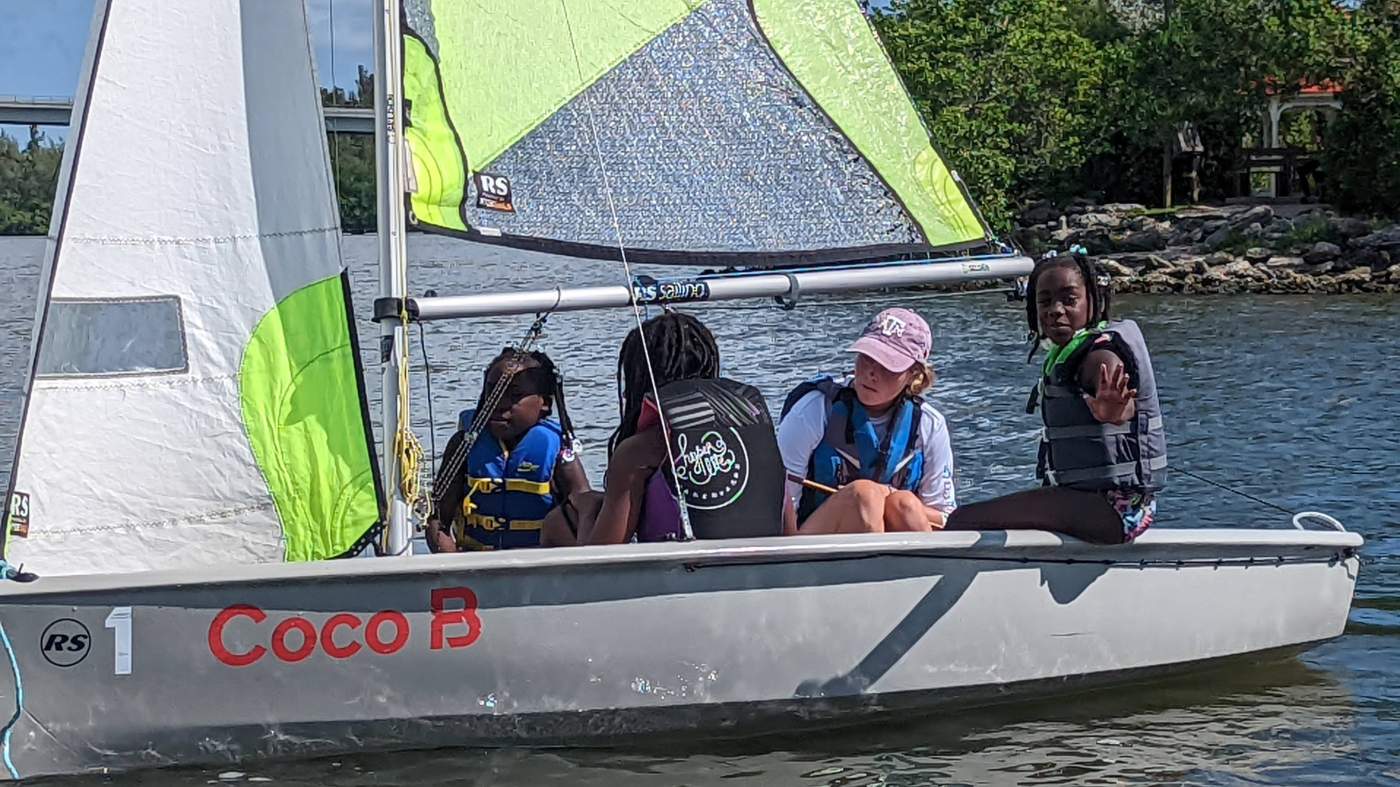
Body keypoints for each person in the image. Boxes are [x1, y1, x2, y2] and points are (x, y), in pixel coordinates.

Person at [944, 252, 1166, 544]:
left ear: (1093, 301)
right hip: (1113, 505)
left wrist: (1112, 410)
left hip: (1113, 510)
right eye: (1045, 301)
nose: (1055, 310)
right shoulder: (1071, 352)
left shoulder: (1099, 356)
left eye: (1069, 299)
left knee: (961, 521)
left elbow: (1118, 406)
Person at [542, 311, 724, 547]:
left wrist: (587, 510)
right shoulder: (754, 431)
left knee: (559, 522)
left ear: (640, 381)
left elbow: (602, 559)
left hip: (676, 577)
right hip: (762, 574)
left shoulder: (640, 449)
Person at [777, 307, 957, 535]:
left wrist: (887, 494)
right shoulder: (813, 409)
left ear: (914, 374)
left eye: (887, 365)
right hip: (812, 547)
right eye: (867, 358)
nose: (871, 373)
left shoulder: (930, 425)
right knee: (864, 496)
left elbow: (944, 518)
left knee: (906, 505)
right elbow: (781, 504)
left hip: (897, 542)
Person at [426, 347, 590, 552]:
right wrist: (452, 564)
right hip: (475, 564)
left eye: (515, 395)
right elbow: (438, 520)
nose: (499, 404)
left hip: (543, 564)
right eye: (492, 392)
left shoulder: (558, 450)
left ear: (545, 404)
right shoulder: (464, 444)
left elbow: (586, 510)